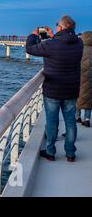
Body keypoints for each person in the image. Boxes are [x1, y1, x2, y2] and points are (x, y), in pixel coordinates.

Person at [26, 15, 84, 162]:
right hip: (71, 89)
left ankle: (51, 152)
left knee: (52, 122)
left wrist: (33, 34)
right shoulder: (79, 43)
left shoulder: (51, 45)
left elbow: (31, 48)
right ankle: (70, 154)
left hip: (53, 89)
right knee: (70, 121)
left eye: (58, 24)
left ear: (61, 27)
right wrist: (53, 36)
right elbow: (64, 44)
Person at [77, 31, 92, 127]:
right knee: (89, 98)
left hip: (79, 77)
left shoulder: (78, 49)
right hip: (90, 79)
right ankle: (87, 119)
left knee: (77, 97)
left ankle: (77, 116)